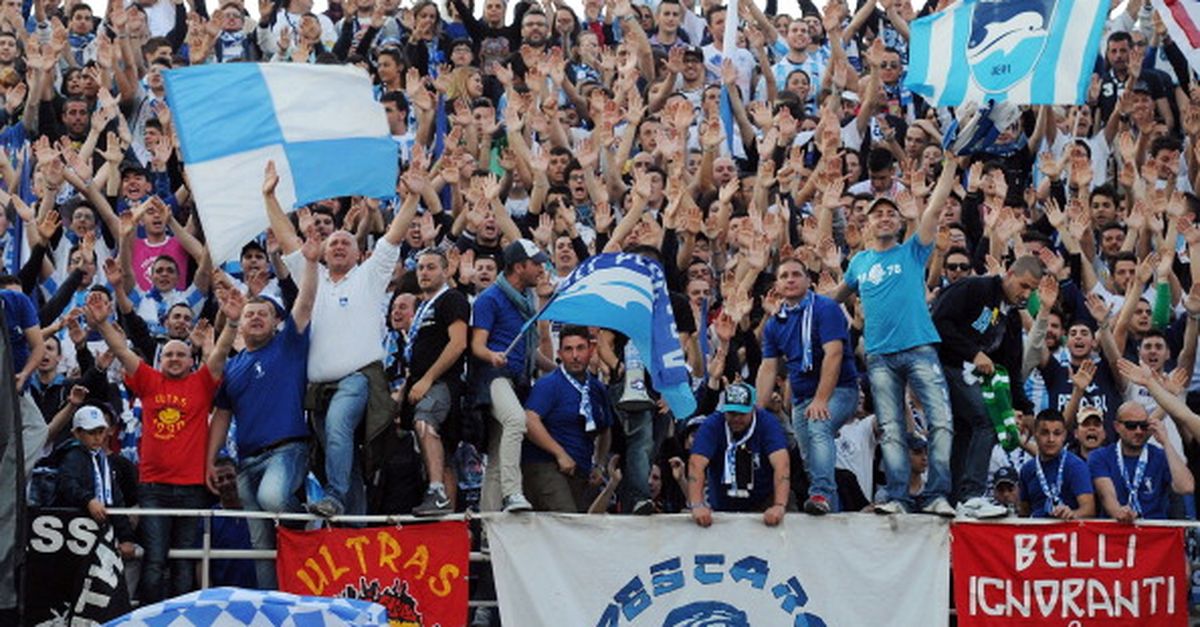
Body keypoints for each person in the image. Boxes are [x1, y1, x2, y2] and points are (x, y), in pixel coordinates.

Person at [266, 161, 419, 517]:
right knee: (342, 456)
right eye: (331, 242)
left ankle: (334, 498)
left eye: (345, 242)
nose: (337, 246)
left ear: (358, 254)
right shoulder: (311, 276)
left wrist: (411, 198)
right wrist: (269, 196)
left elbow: (394, 236)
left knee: (338, 427)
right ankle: (354, 529)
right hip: (317, 388)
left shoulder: (369, 277)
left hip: (357, 379)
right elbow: (289, 238)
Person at [84, 281, 239, 603]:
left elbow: (222, 352)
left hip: (192, 487)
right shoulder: (149, 381)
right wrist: (100, 323)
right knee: (155, 561)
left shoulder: (201, 383)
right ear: (160, 360)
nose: (174, 358)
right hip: (153, 487)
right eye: (168, 354)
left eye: (181, 353)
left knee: (183, 561)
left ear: (191, 358)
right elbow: (124, 352)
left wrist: (232, 321)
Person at [835, 158, 959, 516]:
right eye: (878, 214)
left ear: (899, 220)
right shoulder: (859, 262)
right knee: (890, 430)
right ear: (868, 222)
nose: (885, 217)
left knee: (941, 422)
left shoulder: (913, 250)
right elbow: (836, 298)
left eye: (891, 213)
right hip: (879, 356)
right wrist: (800, 304)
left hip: (919, 348)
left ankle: (936, 494)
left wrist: (948, 168)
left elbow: (935, 210)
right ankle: (899, 497)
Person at [205, 220, 320, 589]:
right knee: (258, 544)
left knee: (274, 499)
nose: (255, 317)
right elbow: (221, 414)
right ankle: (272, 605)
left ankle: (311, 522)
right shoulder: (234, 367)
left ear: (276, 323)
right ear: (238, 326)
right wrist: (210, 459)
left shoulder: (288, 346)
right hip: (245, 462)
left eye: (263, 314)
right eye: (250, 314)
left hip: (286, 450)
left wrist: (294, 261)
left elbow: (303, 302)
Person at [931, 256, 1043, 518]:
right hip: (945, 366)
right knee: (987, 420)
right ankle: (972, 494)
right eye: (1024, 286)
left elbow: (1011, 367)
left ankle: (956, 496)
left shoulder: (1012, 318)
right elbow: (938, 322)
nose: (1026, 294)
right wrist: (973, 353)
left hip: (970, 376)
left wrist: (1025, 408)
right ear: (1010, 273)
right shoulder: (975, 288)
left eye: (1032, 290)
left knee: (967, 431)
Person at [756, 258, 858, 514]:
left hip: (839, 390)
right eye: (784, 276)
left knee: (819, 425)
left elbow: (834, 353)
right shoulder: (774, 323)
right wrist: (757, 411)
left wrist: (822, 399)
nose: (790, 279)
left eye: (796, 274)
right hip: (801, 398)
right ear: (777, 285)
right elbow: (769, 367)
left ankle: (821, 495)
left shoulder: (826, 307)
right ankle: (829, 510)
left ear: (808, 281)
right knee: (810, 458)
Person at [471, 239, 551, 513]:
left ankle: (487, 528)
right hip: (493, 377)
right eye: (536, 263)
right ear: (519, 267)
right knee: (517, 420)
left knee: (495, 458)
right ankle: (512, 493)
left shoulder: (527, 300)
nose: (541, 269)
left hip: (516, 380)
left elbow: (528, 352)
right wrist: (492, 355)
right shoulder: (489, 298)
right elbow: (477, 345)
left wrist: (555, 368)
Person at [405, 249, 471, 516]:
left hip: (442, 383)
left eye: (431, 267)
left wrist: (428, 379)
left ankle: (436, 491)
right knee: (442, 454)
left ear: (446, 271)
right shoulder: (424, 305)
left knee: (425, 421)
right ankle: (448, 522)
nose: (424, 272)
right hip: (420, 384)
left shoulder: (452, 299)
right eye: (420, 267)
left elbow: (458, 343)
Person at [522, 325, 612, 512]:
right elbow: (530, 420)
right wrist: (559, 453)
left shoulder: (597, 388)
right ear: (560, 353)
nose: (575, 356)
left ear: (591, 350)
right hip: (546, 466)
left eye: (580, 348)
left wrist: (600, 465)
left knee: (579, 527)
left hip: (581, 471)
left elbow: (605, 429)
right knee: (567, 522)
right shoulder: (549, 384)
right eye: (568, 349)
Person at [687, 382, 790, 527]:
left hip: (764, 501)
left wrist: (779, 505)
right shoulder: (712, 425)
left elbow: (782, 464)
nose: (736, 418)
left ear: (753, 409)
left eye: (741, 414)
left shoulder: (768, 423)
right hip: (721, 505)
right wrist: (697, 505)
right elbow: (696, 464)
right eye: (731, 413)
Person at [52, 404, 137, 558]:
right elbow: (67, 485)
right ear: (77, 433)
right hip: (72, 533)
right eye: (91, 433)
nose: (98, 437)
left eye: (101, 432)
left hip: (96, 532)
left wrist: (126, 537)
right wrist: (88, 500)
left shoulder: (103, 460)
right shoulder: (71, 457)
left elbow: (115, 499)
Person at [1089, 401, 1194, 522]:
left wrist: (1166, 442)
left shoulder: (1160, 456)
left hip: (1154, 532)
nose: (1138, 431)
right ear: (1117, 427)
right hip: (1117, 529)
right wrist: (1119, 512)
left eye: (1143, 425)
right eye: (1131, 425)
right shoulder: (1100, 456)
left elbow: (1186, 487)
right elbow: (1106, 496)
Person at [1018, 409, 1095, 520]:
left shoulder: (1076, 466)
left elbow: (1089, 510)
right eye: (1045, 433)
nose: (1051, 439)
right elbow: (1024, 513)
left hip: (1067, 531)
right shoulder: (1027, 469)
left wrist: (1073, 514)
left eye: (1057, 433)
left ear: (1064, 435)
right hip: (1036, 532)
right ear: (1035, 434)